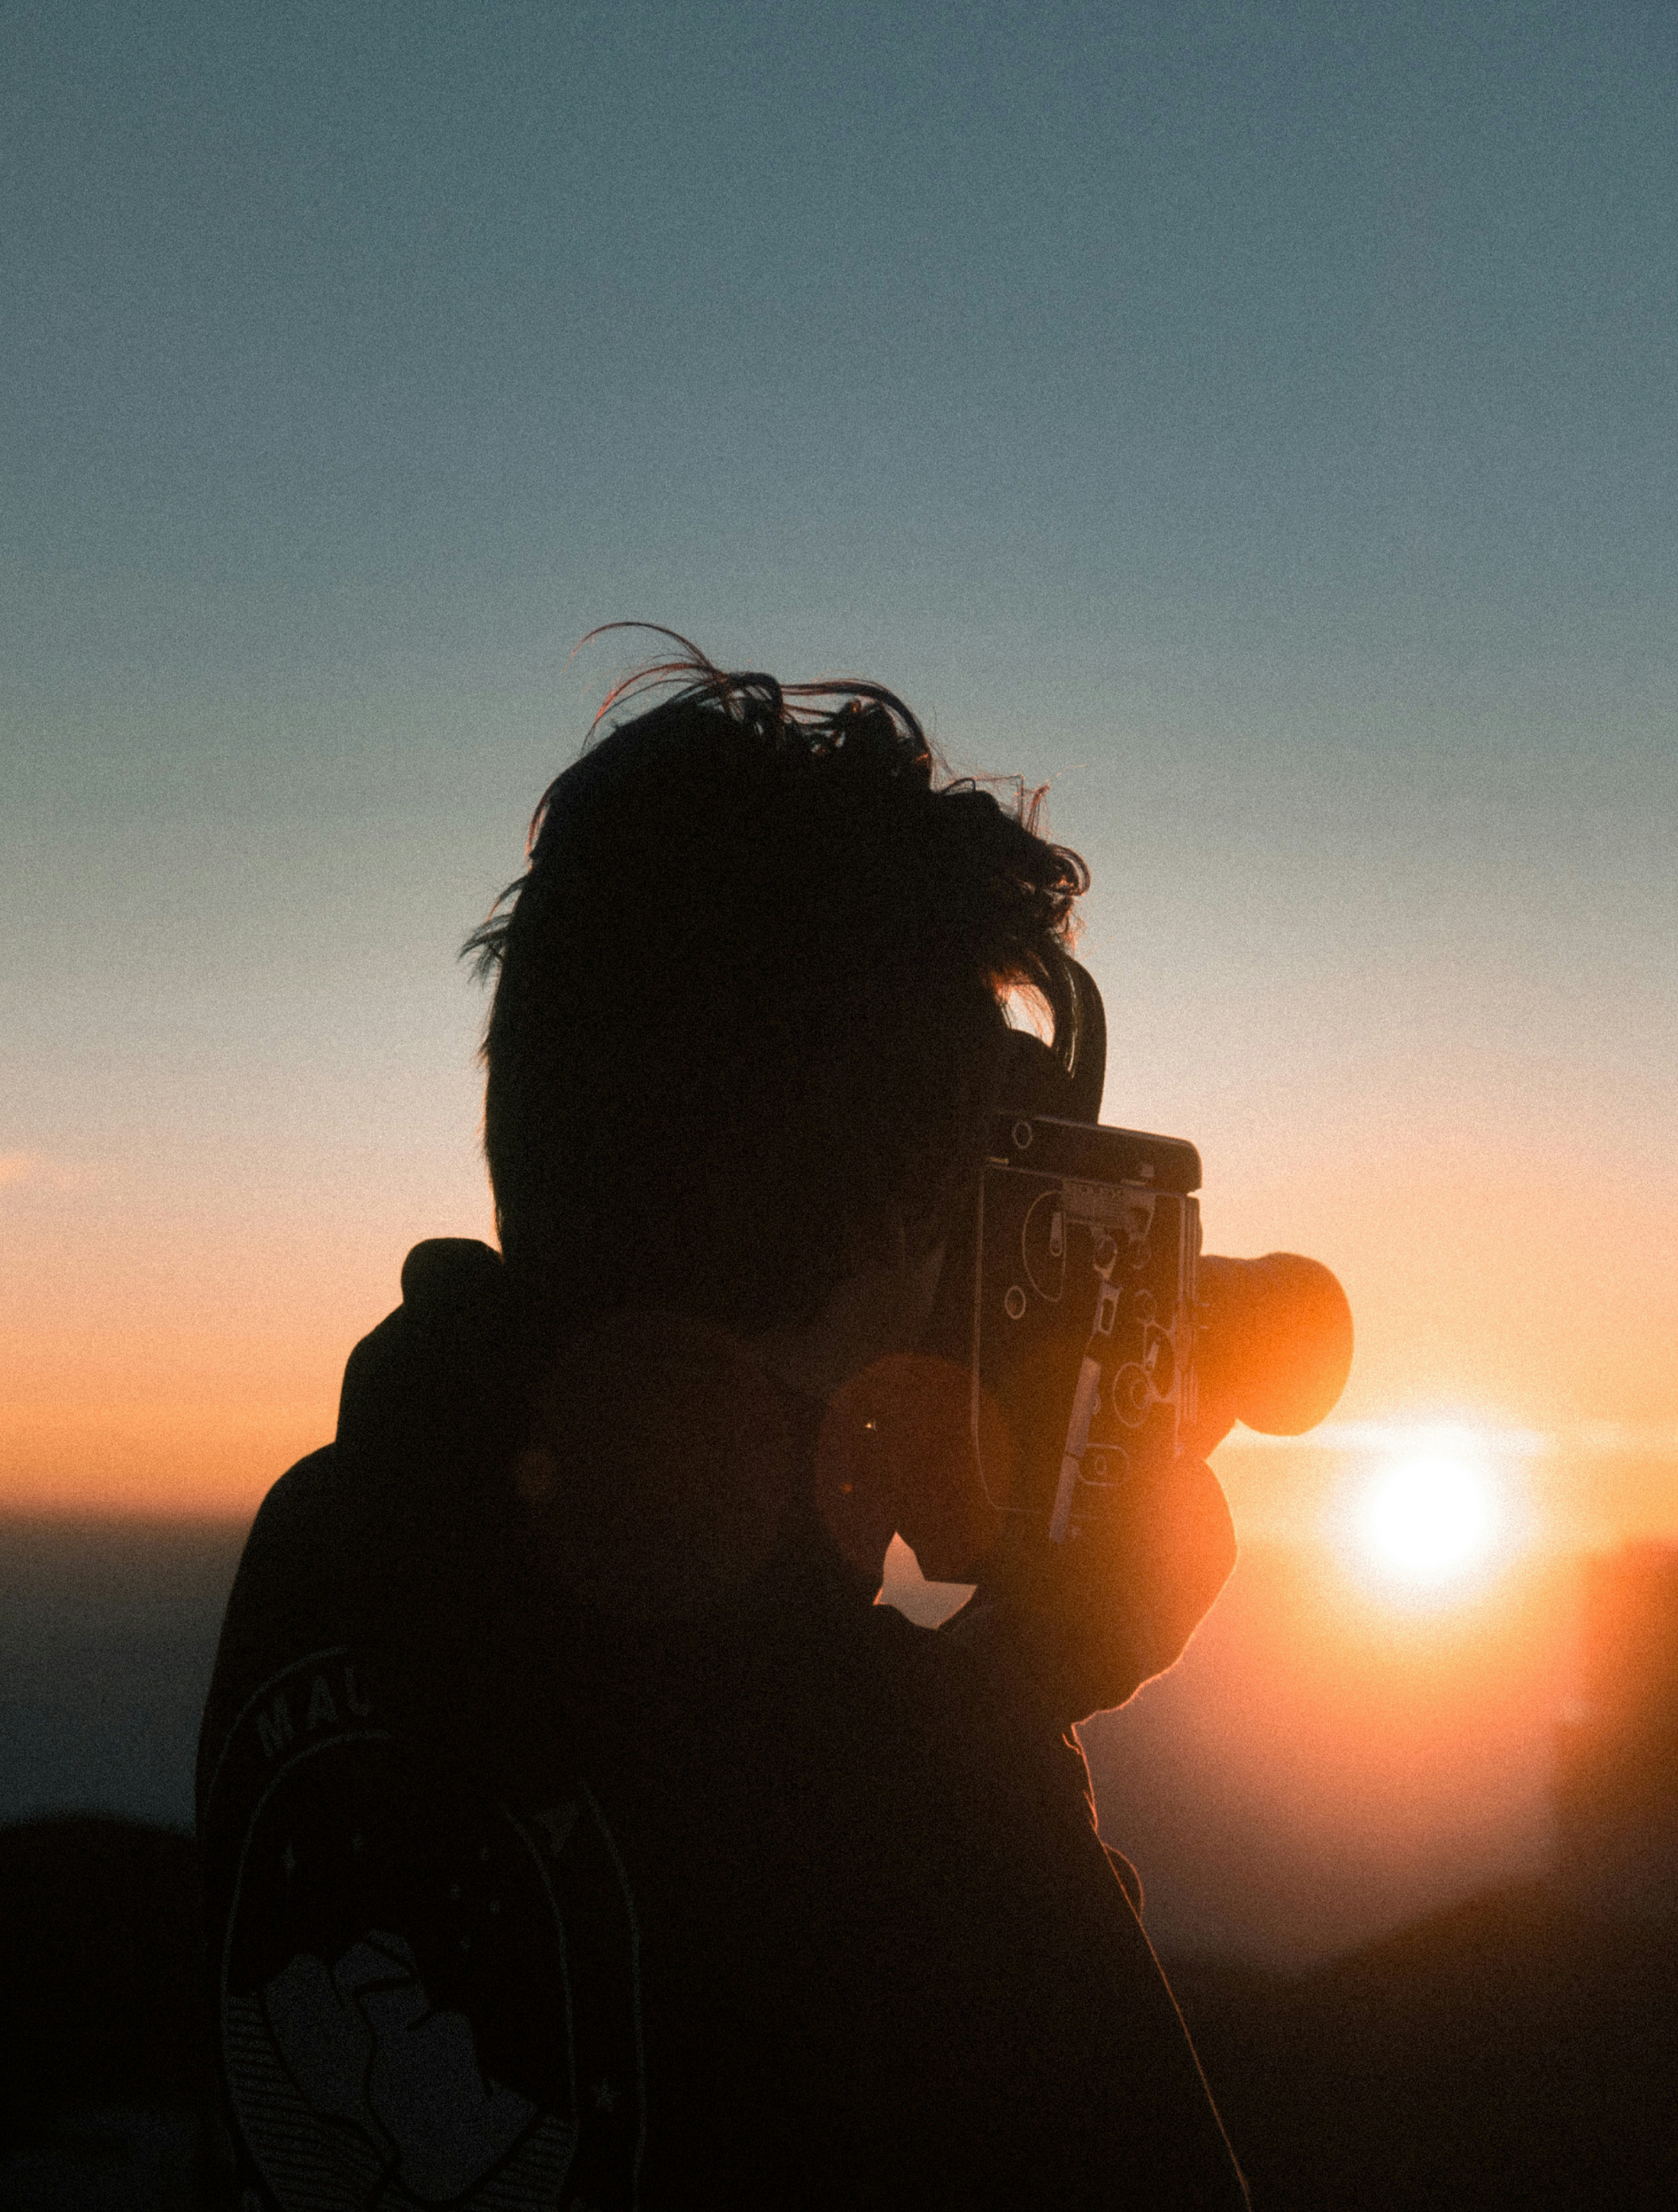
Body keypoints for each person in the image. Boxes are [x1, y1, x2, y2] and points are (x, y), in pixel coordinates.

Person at [197, 636, 1249, 2208]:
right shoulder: (927, 1812)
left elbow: (677, 1783)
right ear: (908, 1196)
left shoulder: (328, 1540)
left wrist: (962, 1680)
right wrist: (1005, 1709)